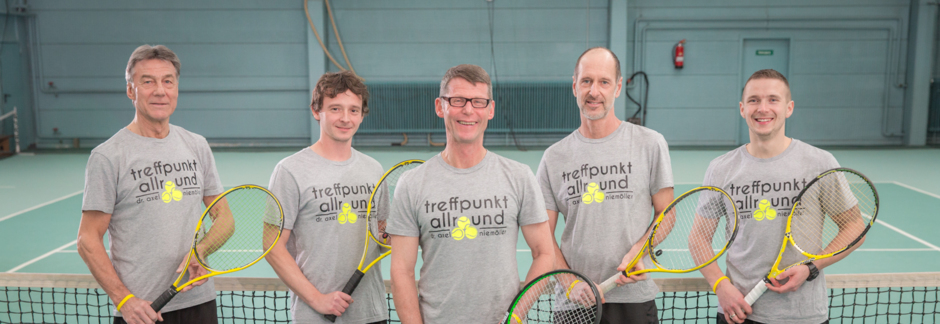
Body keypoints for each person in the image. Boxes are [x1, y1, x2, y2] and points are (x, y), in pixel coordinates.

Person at [386, 64, 555, 324]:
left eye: (478, 101)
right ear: (440, 106)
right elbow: (401, 272)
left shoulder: (519, 177)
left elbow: (545, 253)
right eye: (457, 100)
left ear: (490, 109)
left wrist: (516, 316)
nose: (468, 110)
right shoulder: (412, 184)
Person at [698, 69, 864, 324]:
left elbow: (854, 225)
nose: (762, 108)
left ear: (789, 108)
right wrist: (720, 285)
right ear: (742, 108)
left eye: (773, 99)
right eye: (754, 100)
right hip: (738, 311)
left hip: (803, 315)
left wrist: (812, 267)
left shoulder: (819, 163)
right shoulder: (721, 168)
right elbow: (698, 237)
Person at [77, 45, 223, 324]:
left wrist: (200, 251)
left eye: (168, 81)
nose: (160, 90)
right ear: (131, 91)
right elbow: (87, 240)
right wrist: (125, 299)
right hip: (141, 311)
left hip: (199, 301)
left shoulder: (196, 145)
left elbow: (224, 217)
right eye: (148, 82)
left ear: (176, 88)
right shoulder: (108, 156)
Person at [535, 47, 675, 324]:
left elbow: (667, 214)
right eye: (586, 81)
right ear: (574, 86)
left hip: (633, 299)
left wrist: (639, 250)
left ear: (618, 87)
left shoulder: (650, 143)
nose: (594, 91)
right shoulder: (554, 157)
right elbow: (543, 236)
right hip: (574, 303)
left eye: (604, 82)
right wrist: (569, 282)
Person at [265, 71, 389, 324]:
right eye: (335, 108)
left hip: (372, 313)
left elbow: (382, 231)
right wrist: (317, 299)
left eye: (354, 110)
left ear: (362, 115)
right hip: (316, 315)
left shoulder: (374, 169)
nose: (345, 118)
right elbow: (271, 246)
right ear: (316, 111)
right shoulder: (289, 170)